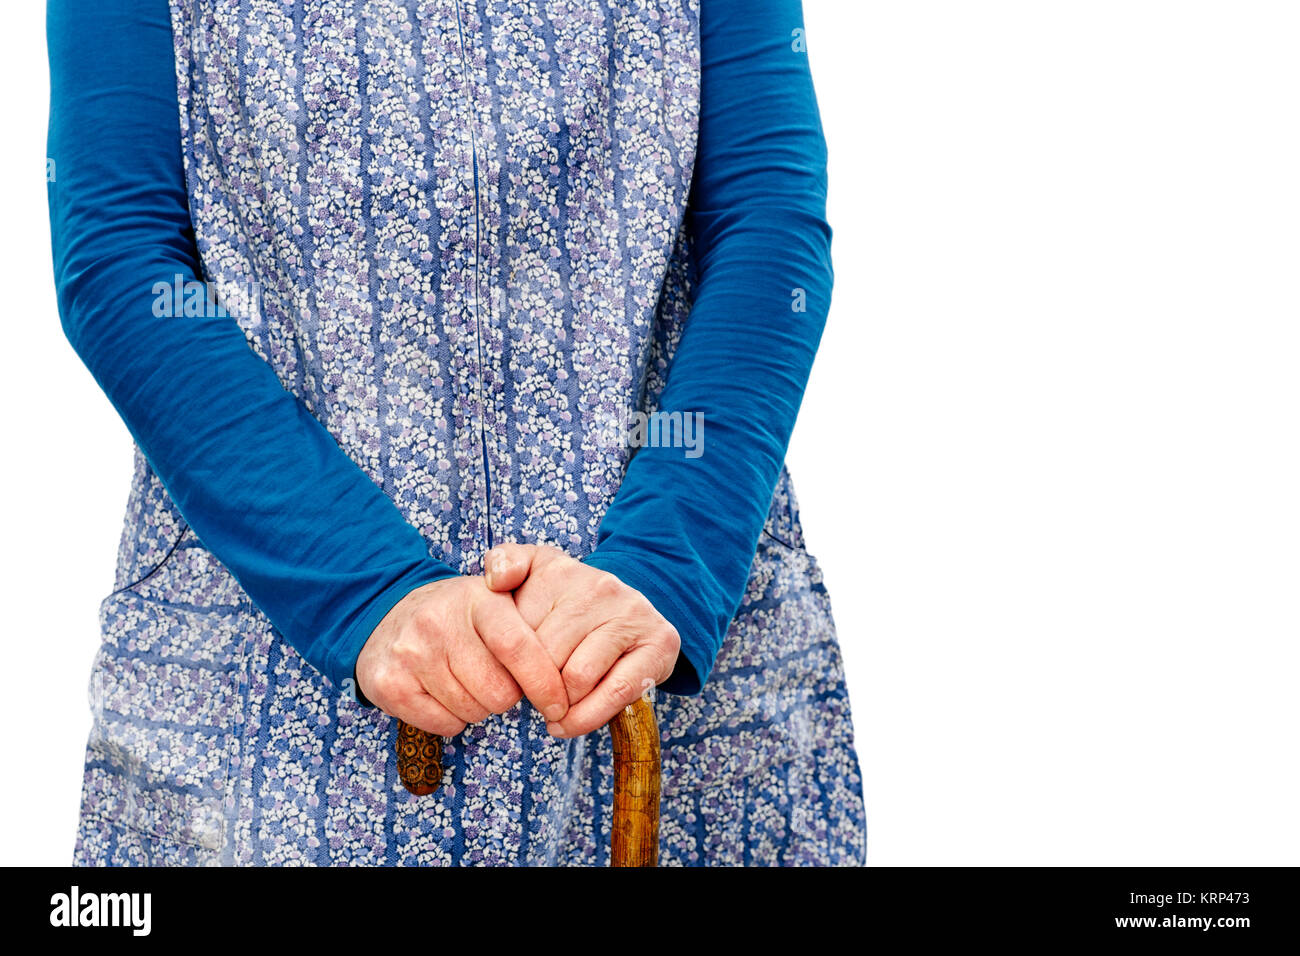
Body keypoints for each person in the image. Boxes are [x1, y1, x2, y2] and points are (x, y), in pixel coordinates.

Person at [48, 0, 866, 865]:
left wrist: (665, 561)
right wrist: (365, 588)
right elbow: (122, 258)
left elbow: (768, 224)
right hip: (267, 694)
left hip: (661, 682)